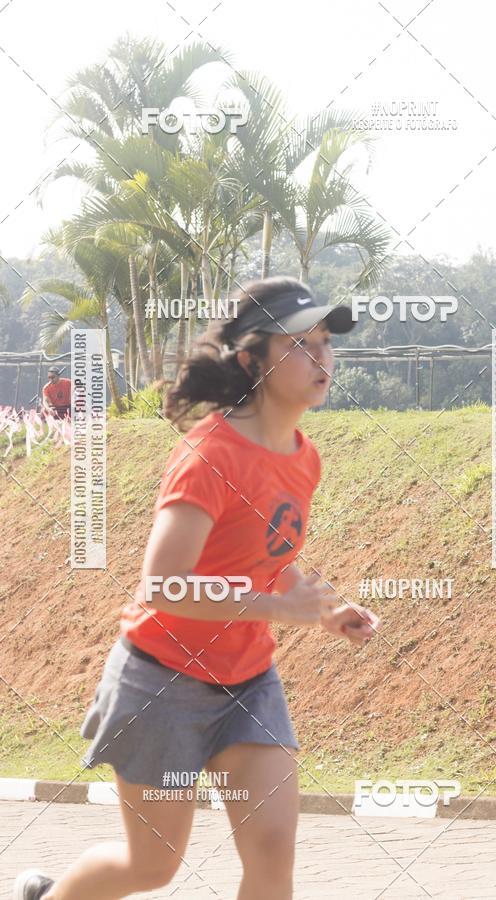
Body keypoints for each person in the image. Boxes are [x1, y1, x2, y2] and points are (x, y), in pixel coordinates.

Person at [14, 276, 380, 900]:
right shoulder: (209, 457)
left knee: (272, 857)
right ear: (252, 360)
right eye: (299, 344)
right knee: (152, 867)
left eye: (325, 341)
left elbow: (269, 557)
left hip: (248, 684)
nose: (321, 357)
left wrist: (319, 609)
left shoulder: (302, 456)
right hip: (161, 683)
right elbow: (161, 586)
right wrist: (275, 606)